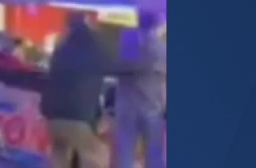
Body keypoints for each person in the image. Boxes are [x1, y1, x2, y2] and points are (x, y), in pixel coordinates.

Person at [40, 11, 111, 168]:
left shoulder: (61, 48)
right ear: (88, 21)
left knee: (59, 155)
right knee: (97, 155)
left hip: (53, 115)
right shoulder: (96, 49)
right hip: (78, 117)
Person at [111, 11, 167, 168]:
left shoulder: (127, 41)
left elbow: (121, 67)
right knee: (154, 156)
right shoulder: (161, 48)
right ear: (158, 25)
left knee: (125, 155)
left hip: (126, 107)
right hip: (152, 107)